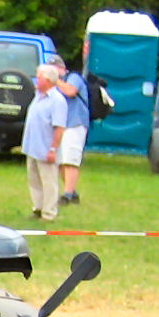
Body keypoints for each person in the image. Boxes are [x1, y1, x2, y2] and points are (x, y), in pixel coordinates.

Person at [22, 63, 67, 222]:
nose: (36, 80)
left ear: (48, 80)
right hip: (32, 147)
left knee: (49, 182)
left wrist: (53, 149)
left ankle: (49, 213)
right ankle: (38, 208)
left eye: (39, 77)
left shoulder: (57, 101)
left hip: (46, 148)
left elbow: (59, 127)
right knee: (34, 180)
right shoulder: (38, 96)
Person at [50, 55, 90, 205]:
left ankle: (67, 194)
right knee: (60, 161)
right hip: (60, 125)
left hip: (75, 123)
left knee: (70, 160)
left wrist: (55, 81)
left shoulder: (73, 78)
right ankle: (72, 192)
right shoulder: (54, 85)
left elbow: (71, 91)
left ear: (61, 68)